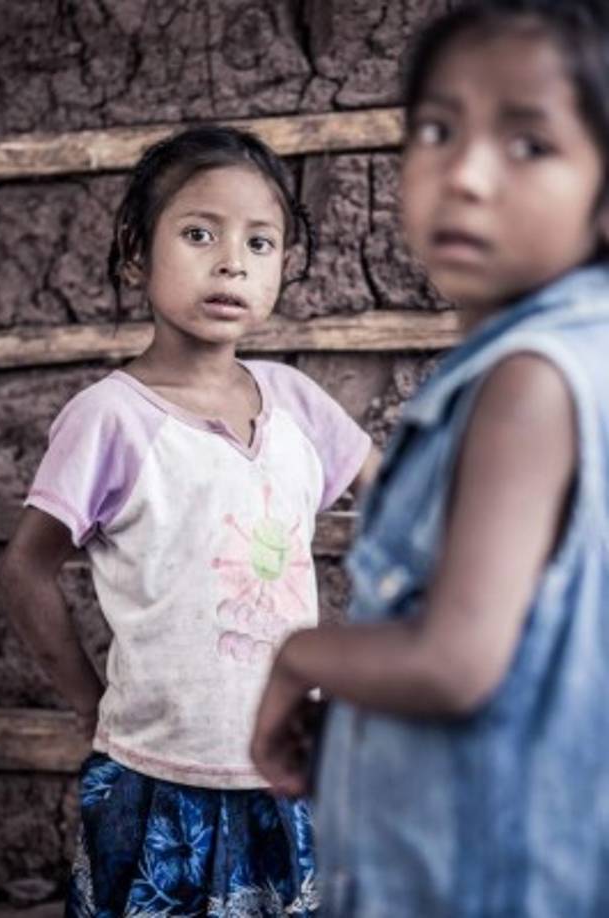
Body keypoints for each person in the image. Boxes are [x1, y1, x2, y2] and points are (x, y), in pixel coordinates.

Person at [250, 1, 609, 914]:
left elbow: (457, 663)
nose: (467, 176)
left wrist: (299, 657)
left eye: (529, 143)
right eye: (438, 130)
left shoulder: (528, 384)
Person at [0, 124, 377, 917]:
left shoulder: (296, 404)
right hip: (155, 774)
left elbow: (401, 506)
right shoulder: (111, 419)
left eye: (261, 242)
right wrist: (88, 704)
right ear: (138, 253)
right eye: (199, 233)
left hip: (289, 771)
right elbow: (26, 567)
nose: (232, 260)